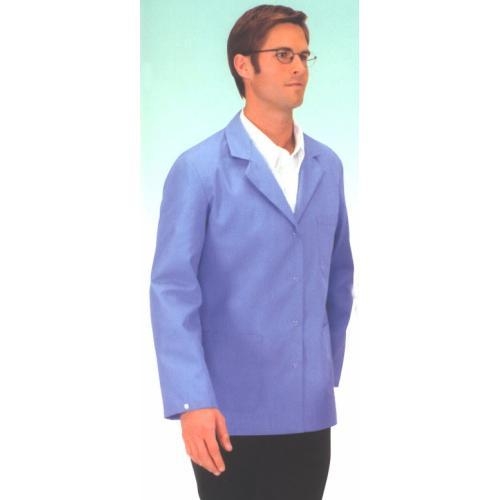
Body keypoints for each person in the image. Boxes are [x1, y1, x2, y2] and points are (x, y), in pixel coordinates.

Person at [149, 4, 354, 499]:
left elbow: (339, 278)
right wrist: (192, 400)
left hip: (308, 412)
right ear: (243, 65)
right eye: (283, 55)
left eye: (303, 55)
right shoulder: (199, 170)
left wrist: (321, 371)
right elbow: (172, 291)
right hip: (225, 414)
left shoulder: (327, 166)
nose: (298, 67)